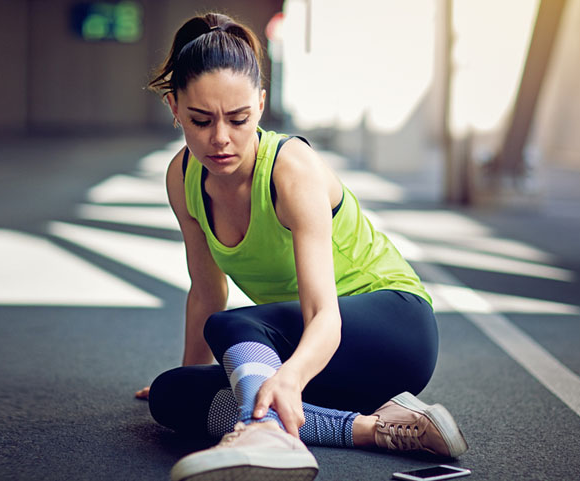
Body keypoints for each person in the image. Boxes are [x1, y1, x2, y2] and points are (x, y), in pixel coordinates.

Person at [135, 12, 468, 481]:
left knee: (235, 325)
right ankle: (376, 428)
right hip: (325, 356)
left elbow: (323, 316)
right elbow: (206, 290)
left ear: (262, 104)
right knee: (173, 395)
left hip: (395, 328)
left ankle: (265, 435)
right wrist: (194, 377)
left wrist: (288, 378)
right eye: (201, 120)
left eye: (239, 118)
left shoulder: (291, 169)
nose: (221, 138)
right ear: (174, 108)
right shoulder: (183, 176)